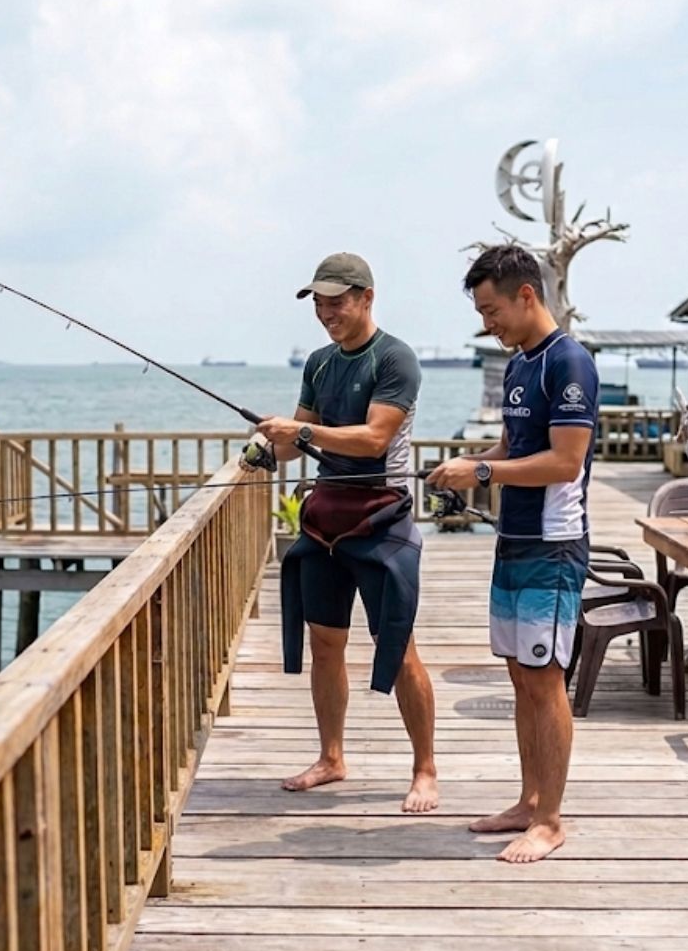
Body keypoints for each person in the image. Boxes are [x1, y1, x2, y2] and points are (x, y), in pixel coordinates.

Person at [242, 251, 438, 813]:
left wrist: (301, 429)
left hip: (382, 517)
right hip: (327, 518)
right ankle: (332, 757)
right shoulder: (320, 362)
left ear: (366, 298)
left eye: (337, 302)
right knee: (325, 644)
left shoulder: (395, 358)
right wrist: (266, 446)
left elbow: (375, 438)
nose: (327, 313)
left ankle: (424, 768)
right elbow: (293, 440)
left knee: (398, 649)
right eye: (320, 304)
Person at [427, 244, 599, 863]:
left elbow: (565, 461)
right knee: (520, 674)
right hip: (514, 539)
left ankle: (550, 821)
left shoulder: (568, 362)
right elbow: (511, 445)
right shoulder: (521, 364)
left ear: (527, 295)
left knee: (546, 678)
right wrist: (471, 466)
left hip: (554, 545)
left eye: (492, 309)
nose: (486, 323)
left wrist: (481, 473)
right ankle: (529, 800)